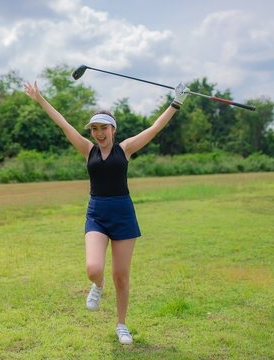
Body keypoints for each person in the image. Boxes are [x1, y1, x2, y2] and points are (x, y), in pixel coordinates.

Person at [24, 79, 189, 345]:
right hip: (97, 214)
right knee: (93, 269)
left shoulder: (125, 149)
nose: (99, 133)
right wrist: (41, 99)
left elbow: (155, 128)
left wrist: (176, 102)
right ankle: (98, 286)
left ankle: (121, 324)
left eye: (103, 128)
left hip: (123, 214)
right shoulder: (87, 150)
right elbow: (63, 124)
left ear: (113, 129)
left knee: (121, 276)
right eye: (95, 129)